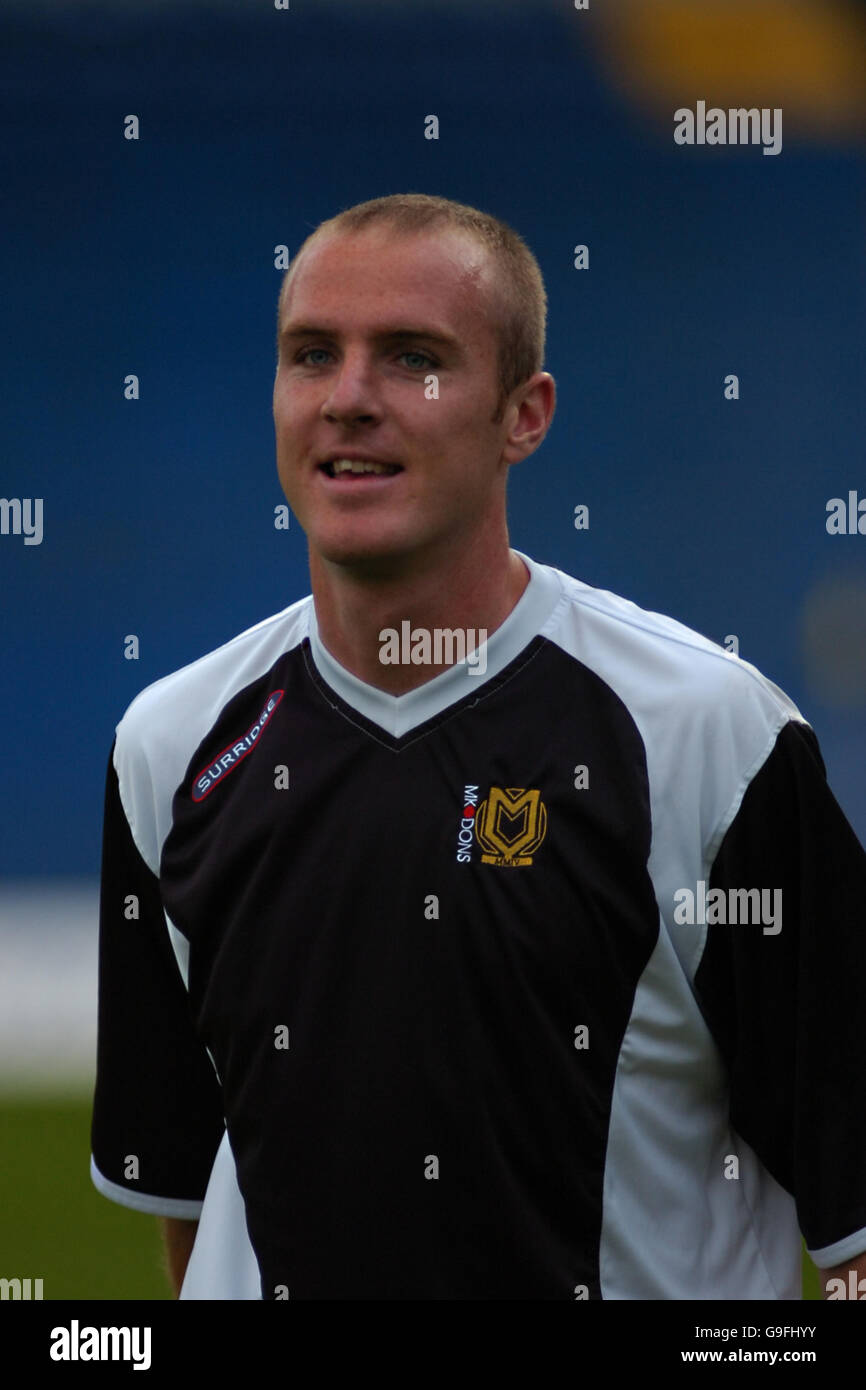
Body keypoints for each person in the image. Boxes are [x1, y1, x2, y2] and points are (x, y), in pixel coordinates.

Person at [91, 192, 866, 1301]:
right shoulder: (168, 746)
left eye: (412, 358)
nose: (349, 398)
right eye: (312, 354)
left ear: (524, 414)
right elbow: (189, 1205)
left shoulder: (707, 737)